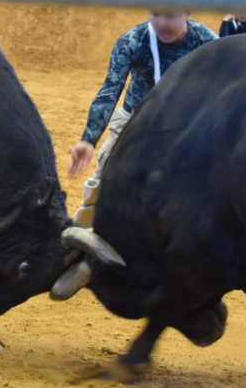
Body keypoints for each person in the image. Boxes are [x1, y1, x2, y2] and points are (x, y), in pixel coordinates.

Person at [68, 11, 217, 227]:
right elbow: (109, 92)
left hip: (184, 126)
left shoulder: (207, 43)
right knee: (105, 176)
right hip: (132, 120)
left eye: (171, 16)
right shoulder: (134, 40)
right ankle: (83, 235)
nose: (162, 23)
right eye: (156, 14)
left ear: (188, 14)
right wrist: (89, 139)